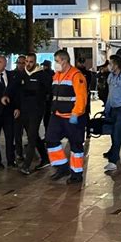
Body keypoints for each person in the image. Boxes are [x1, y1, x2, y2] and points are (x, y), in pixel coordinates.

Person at [45, 50, 88, 184]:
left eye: (57, 61)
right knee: (51, 140)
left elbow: (81, 97)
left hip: (72, 117)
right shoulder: (57, 75)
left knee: (76, 146)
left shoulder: (76, 75)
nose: (55, 64)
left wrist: (76, 113)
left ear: (64, 61)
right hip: (57, 115)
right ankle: (62, 167)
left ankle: (76, 174)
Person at [5, 53, 52, 175]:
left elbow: (50, 90)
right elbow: (12, 87)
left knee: (31, 137)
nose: (28, 64)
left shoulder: (42, 75)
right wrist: (6, 95)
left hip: (36, 111)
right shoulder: (21, 75)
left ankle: (26, 165)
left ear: (35, 62)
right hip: (23, 111)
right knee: (34, 135)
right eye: (27, 62)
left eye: (31, 62)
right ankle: (45, 158)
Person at [13, 55, 26, 162]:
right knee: (17, 132)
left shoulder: (29, 74)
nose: (21, 65)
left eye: (23, 63)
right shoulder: (12, 75)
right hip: (16, 108)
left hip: (27, 108)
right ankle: (19, 152)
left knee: (31, 133)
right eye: (19, 63)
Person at [41, 60, 55, 133]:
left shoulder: (44, 74)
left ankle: (48, 134)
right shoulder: (54, 74)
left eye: (44, 66)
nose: (43, 67)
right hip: (51, 99)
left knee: (46, 118)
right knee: (49, 117)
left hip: (45, 98)